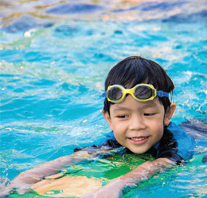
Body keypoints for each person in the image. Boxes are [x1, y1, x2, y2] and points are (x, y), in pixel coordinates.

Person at [0, 56, 195, 198]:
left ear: (168, 114)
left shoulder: (178, 141)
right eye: (123, 116)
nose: (136, 126)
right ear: (109, 119)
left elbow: (158, 164)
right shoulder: (113, 139)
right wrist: (25, 178)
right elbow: (77, 157)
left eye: (148, 114)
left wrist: (117, 185)